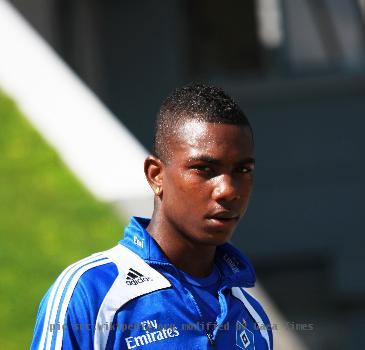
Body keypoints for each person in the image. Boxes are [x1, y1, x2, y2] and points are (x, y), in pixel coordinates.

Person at [31, 83, 273, 349]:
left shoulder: (253, 317)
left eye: (242, 170)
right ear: (155, 175)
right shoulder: (90, 293)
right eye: (204, 168)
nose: (228, 190)